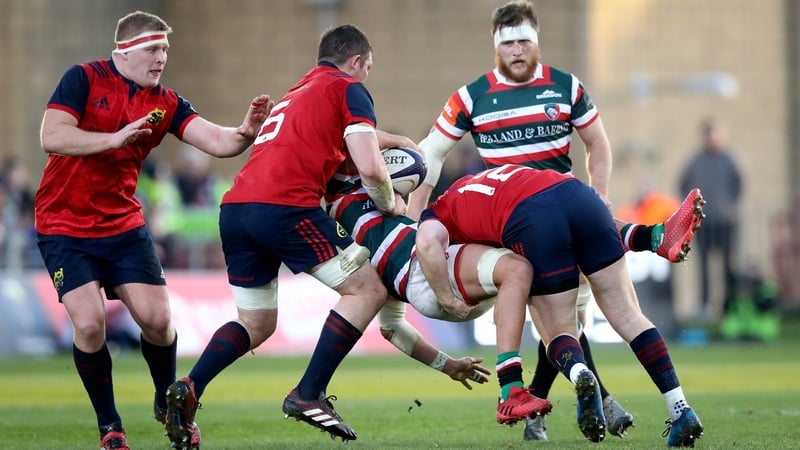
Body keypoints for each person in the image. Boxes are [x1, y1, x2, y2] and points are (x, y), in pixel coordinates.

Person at [406, 0, 704, 441]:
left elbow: (597, 144)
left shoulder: (566, 87)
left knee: (558, 326)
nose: (518, 50)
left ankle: (551, 406)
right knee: (609, 317)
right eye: (509, 44)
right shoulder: (472, 97)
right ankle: (648, 237)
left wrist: (414, 221)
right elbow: (431, 152)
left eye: (525, 40)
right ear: (496, 48)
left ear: (537, 41)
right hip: (556, 211)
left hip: (532, 223)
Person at [34, 11, 272, 450]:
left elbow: (218, 142)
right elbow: (52, 135)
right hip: (64, 225)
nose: (161, 56)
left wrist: (245, 132)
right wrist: (111, 139)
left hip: (122, 226)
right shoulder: (83, 79)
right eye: (152, 48)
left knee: (159, 322)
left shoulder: (167, 102)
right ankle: (111, 427)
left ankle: (167, 402)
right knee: (88, 326)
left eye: (164, 48)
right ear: (123, 51)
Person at [162, 24, 407, 447]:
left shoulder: (298, 92)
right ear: (356, 62)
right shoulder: (349, 88)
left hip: (237, 208)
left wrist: (393, 139)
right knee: (367, 290)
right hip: (285, 207)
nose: (365, 76)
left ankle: (190, 386)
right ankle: (307, 393)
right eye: (366, 67)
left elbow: (343, 138)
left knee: (256, 323)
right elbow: (368, 166)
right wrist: (391, 205)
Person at [417, 164, 704, 447]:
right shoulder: (476, 182)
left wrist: (446, 297)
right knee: (631, 317)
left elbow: (428, 243)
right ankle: (681, 410)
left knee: (557, 333)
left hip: (532, 218)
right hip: (578, 194)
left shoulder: (436, 215)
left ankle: (579, 375)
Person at [327, 142, 552, 426]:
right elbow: (360, 142)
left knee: (533, 270)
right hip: (425, 268)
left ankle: (582, 384)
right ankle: (511, 392)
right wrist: (400, 148)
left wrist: (448, 365)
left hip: (424, 277)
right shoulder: (349, 190)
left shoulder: (347, 224)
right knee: (518, 270)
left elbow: (391, 328)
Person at [680, 118, 743, 320]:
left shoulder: (728, 159)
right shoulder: (695, 161)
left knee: (728, 265)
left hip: (725, 222)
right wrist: (692, 210)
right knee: (703, 265)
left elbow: (739, 184)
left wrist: (730, 205)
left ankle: (729, 305)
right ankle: (704, 304)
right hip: (704, 223)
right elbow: (683, 184)